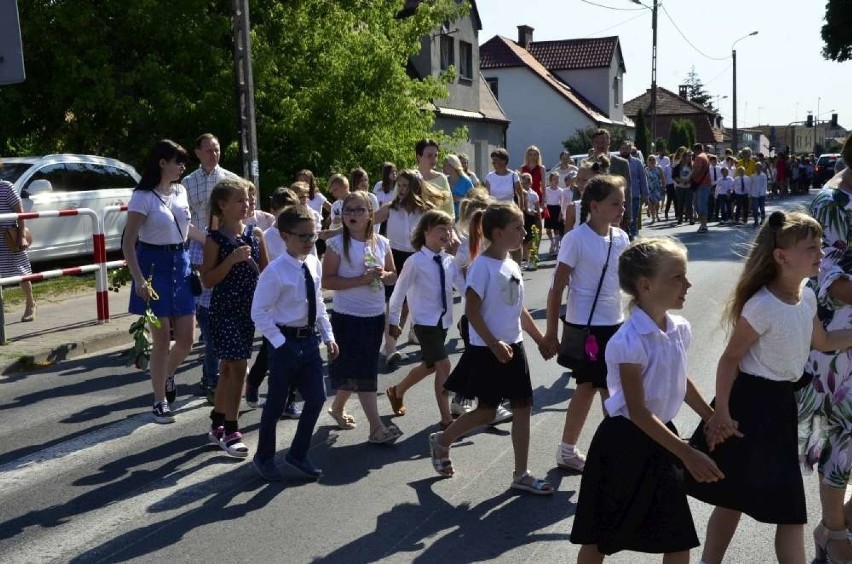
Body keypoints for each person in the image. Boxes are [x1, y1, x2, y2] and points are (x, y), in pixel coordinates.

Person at [687, 211, 852, 563]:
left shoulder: (806, 297)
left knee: (787, 507)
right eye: (811, 248)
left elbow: (821, 341)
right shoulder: (762, 305)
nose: (820, 254)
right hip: (749, 408)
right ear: (781, 256)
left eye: (821, 246)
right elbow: (730, 360)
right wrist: (722, 414)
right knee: (734, 499)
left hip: (782, 406)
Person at [570, 237, 721, 561]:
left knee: (678, 539)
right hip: (624, 444)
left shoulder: (679, 328)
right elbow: (637, 412)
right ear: (645, 284)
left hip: (661, 440)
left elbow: (680, 379)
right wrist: (687, 454)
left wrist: (710, 416)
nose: (688, 283)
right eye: (677, 276)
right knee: (600, 538)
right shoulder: (628, 340)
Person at [431, 202, 554, 496]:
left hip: (514, 346)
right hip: (487, 349)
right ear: (498, 233)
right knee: (486, 412)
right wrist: (493, 343)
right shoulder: (481, 267)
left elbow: (518, 308)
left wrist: (539, 340)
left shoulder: (511, 263)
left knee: (523, 407)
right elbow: (472, 312)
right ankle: (442, 440)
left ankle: (521, 474)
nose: (524, 232)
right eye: (518, 228)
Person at [542, 174, 631, 471]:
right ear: (594, 206)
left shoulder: (621, 237)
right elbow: (557, 288)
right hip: (587, 329)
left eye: (623, 202)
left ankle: (573, 450)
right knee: (603, 387)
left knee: (596, 386)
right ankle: (618, 454)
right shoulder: (575, 239)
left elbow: (625, 283)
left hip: (615, 325)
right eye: (615, 203)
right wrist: (551, 332)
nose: (622, 209)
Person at [251, 205, 338, 481]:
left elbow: (318, 303)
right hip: (284, 342)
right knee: (276, 403)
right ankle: (264, 456)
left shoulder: (313, 262)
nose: (310, 242)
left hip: (309, 340)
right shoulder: (275, 272)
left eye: (313, 236)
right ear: (285, 236)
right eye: (303, 237)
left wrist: (328, 335)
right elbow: (259, 313)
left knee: (317, 398)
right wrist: (278, 342)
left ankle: (298, 453)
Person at [797, 136, 852, 563]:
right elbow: (827, 279)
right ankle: (834, 533)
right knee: (840, 440)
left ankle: (837, 522)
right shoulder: (832, 203)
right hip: (839, 347)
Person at [122, 139, 195, 423]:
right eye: (178, 161)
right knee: (162, 337)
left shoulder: (181, 191)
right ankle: (159, 401)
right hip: (153, 267)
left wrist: (216, 243)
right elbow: (129, 243)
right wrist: (139, 279)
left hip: (182, 263)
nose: (182, 167)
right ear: (162, 163)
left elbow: (189, 229)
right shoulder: (143, 196)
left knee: (187, 338)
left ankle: (167, 374)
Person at [323, 191, 401, 443]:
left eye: (359, 210)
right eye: (348, 210)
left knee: (356, 368)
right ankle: (376, 428)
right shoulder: (337, 244)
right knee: (366, 371)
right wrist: (361, 279)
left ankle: (336, 408)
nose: (353, 215)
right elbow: (328, 280)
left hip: (374, 315)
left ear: (370, 215)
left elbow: (393, 275)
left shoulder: (381, 242)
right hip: (348, 317)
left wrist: (384, 275)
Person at [201, 179, 269, 458]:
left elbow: (267, 273)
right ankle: (231, 429)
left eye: (249, 199)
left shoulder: (256, 235)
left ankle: (217, 421)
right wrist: (231, 260)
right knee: (240, 366)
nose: (247, 204)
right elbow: (207, 279)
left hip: (249, 311)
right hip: (223, 310)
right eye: (240, 200)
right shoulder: (214, 239)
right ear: (223, 205)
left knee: (229, 369)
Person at [385, 210, 460, 431]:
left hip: (443, 322)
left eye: (449, 229)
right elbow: (398, 294)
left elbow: (464, 288)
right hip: (424, 323)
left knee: (429, 366)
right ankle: (446, 420)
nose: (446, 233)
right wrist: (394, 322)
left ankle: (396, 391)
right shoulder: (415, 262)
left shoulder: (450, 261)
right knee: (443, 365)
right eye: (441, 229)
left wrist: (479, 310)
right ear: (426, 231)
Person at [373, 169, 446, 365]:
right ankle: (390, 347)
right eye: (400, 185)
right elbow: (366, 221)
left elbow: (444, 228)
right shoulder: (391, 207)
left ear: (415, 187)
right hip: (395, 256)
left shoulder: (426, 210)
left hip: (417, 256)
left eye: (406, 185)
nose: (402, 189)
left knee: (406, 305)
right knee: (394, 302)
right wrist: (336, 231)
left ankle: (390, 344)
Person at [244, 187, 301, 416]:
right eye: (282, 211)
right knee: (270, 351)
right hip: (277, 302)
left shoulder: (302, 232)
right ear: (274, 211)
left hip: (298, 301)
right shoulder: (268, 236)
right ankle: (254, 383)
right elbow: (265, 269)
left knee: (297, 353)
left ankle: (289, 400)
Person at [0, 164, 36, 322]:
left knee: (22, 273)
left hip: (10, 237)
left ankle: (30, 303)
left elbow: (21, 214)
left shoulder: (6, 187)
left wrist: (21, 237)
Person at [592, 129, 632, 233]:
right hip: (593, 213)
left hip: (616, 213)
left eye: (604, 142)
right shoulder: (586, 164)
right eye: (598, 142)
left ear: (609, 143)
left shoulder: (621, 163)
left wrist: (628, 215)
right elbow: (580, 188)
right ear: (593, 144)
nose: (601, 145)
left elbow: (627, 191)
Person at [415, 139, 455, 219]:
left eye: (436, 155)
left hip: (436, 225)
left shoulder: (442, 178)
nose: (434, 159)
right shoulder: (409, 177)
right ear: (419, 157)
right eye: (429, 155)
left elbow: (449, 210)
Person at [562, 158, 604, 234]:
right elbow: (567, 239)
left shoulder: (605, 207)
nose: (580, 183)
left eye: (585, 180)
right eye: (578, 179)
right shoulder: (572, 208)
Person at [619, 141, 648, 238]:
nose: (624, 151)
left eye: (627, 148)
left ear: (630, 149)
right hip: (618, 197)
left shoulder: (637, 162)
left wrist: (645, 194)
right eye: (623, 149)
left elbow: (643, 179)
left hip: (634, 196)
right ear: (620, 150)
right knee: (620, 219)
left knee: (633, 218)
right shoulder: (615, 163)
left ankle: (633, 238)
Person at [519, 173, 541, 271]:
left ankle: (530, 259)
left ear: (530, 183)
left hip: (531, 217)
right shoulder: (519, 193)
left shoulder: (534, 194)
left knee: (531, 238)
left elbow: (537, 207)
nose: (525, 185)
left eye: (527, 182)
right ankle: (525, 258)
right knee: (523, 239)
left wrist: (539, 220)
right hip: (522, 216)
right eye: (523, 183)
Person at [691, 143, 712, 233]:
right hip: (704, 183)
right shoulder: (705, 156)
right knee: (699, 204)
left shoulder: (699, 157)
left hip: (701, 184)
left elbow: (697, 170)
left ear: (696, 150)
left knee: (700, 205)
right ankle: (703, 224)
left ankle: (704, 225)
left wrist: (689, 178)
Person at [444, 154, 473, 219]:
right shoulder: (444, 180)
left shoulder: (466, 181)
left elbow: (473, 199)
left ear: (452, 166)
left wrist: (460, 199)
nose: (443, 167)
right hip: (448, 217)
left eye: (445, 165)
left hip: (463, 217)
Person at [372, 163, 397, 235]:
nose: (394, 173)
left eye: (395, 171)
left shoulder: (397, 187)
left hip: (391, 216)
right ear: (386, 173)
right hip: (378, 214)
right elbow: (374, 198)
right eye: (392, 172)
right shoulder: (379, 185)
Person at [544, 171, 565, 254]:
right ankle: (552, 243)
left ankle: (557, 247)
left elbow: (562, 203)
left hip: (557, 209)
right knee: (548, 229)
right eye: (554, 179)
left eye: (557, 179)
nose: (556, 181)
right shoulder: (546, 189)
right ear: (550, 180)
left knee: (556, 229)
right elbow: (544, 200)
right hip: (548, 209)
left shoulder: (561, 191)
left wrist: (560, 214)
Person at [665, 147, 686, 222]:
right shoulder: (675, 161)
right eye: (681, 151)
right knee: (677, 199)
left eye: (683, 152)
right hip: (677, 182)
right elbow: (674, 172)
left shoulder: (687, 159)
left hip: (686, 181)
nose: (682, 153)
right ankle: (678, 215)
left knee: (685, 199)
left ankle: (685, 214)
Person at [645, 155, 663, 225]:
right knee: (651, 203)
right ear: (647, 161)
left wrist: (664, 187)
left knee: (657, 203)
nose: (652, 161)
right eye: (650, 159)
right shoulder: (646, 169)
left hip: (657, 188)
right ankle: (653, 218)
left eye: (653, 159)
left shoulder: (659, 168)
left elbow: (662, 177)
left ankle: (657, 214)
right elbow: (644, 179)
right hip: (649, 188)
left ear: (656, 160)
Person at [657, 143, 674, 218]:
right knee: (659, 194)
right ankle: (660, 206)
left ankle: (662, 207)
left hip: (666, 177)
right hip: (658, 177)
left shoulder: (667, 159)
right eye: (661, 151)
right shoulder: (656, 158)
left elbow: (668, 167)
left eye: (663, 151)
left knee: (664, 194)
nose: (662, 152)